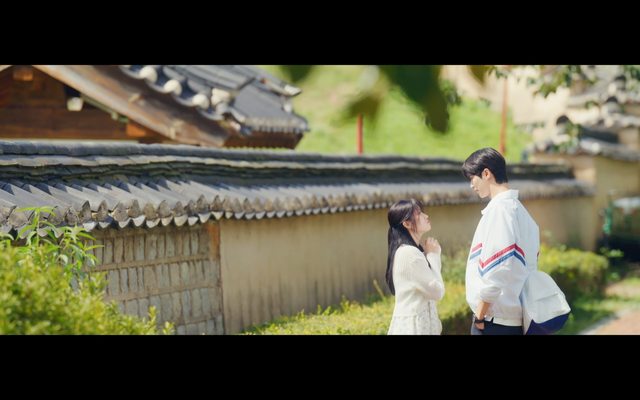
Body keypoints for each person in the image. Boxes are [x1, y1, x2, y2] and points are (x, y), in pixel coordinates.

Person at [461, 147, 539, 335]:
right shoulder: (522, 213)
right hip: (512, 320)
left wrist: (480, 315)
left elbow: (498, 268)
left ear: (486, 173)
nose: (471, 185)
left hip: (493, 322)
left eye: (472, 178)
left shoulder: (500, 211)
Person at [386, 199, 444, 335]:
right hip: (413, 329)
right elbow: (437, 292)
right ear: (407, 223)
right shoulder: (409, 254)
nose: (426, 216)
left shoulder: (411, 251)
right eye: (419, 214)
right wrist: (433, 256)